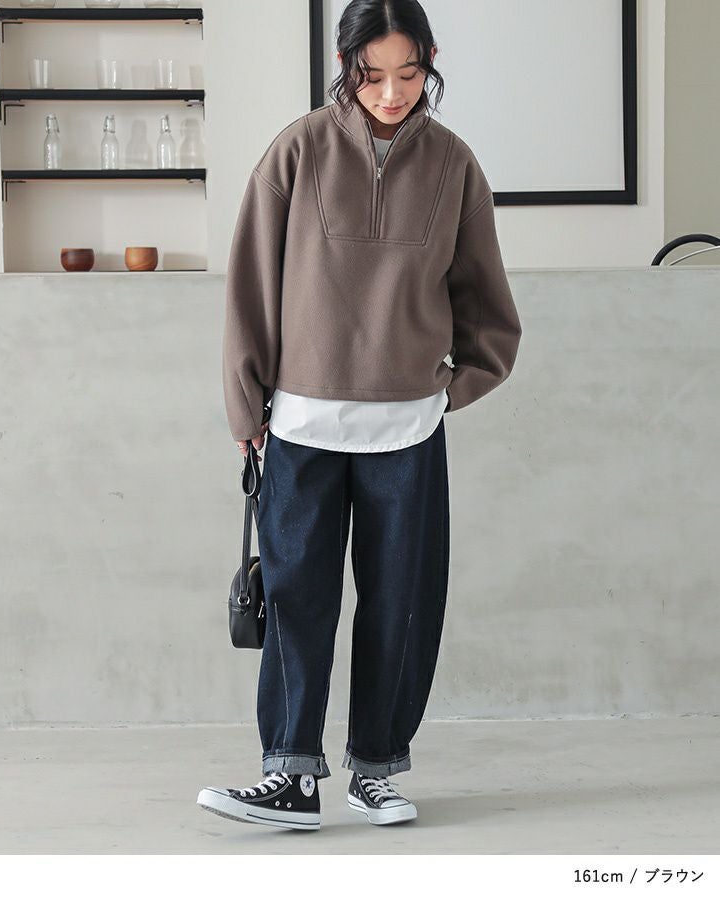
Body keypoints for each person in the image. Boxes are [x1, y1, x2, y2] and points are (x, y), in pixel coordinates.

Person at [197, 0, 522, 831]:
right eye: (372, 76)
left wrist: (447, 389)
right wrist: (245, 402)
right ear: (346, 67)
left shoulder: (453, 166)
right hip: (300, 424)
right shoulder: (298, 151)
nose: (390, 93)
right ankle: (290, 775)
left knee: (400, 603)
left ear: (430, 60)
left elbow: (488, 309)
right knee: (297, 600)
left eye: (408, 74)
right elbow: (250, 288)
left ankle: (376, 769)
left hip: (407, 431)